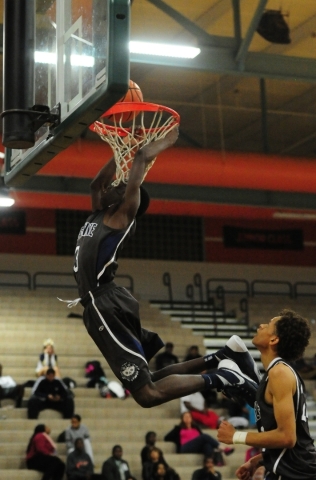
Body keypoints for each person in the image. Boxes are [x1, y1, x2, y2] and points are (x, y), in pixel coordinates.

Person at [65, 128, 262, 409]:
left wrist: (164, 140)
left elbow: (143, 158)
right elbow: (96, 184)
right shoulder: (99, 211)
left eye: (121, 188)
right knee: (151, 381)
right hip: (104, 300)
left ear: (127, 201)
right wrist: (120, 151)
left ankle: (223, 377)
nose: (114, 185)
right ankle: (219, 358)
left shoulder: (121, 216)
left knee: (147, 395)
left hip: (102, 303)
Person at [217, 309, 316, 480]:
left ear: (274, 339)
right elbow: (294, 439)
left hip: (297, 474)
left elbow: (287, 437)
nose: (261, 325)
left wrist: (236, 436)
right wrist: (259, 460)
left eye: (268, 325)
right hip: (291, 469)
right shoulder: (277, 372)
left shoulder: (280, 373)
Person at [164, 411, 234, 458]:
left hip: (196, 446)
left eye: (189, 417)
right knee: (204, 437)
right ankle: (222, 448)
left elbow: (202, 440)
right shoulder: (178, 428)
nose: (187, 418)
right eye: (185, 417)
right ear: (182, 419)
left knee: (207, 445)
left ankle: (209, 463)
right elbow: (166, 437)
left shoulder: (196, 427)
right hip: (185, 447)